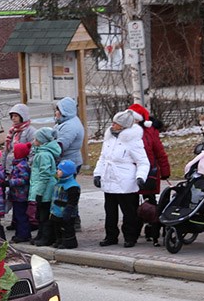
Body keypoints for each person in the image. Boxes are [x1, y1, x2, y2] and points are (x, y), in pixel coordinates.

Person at [93, 110, 149, 248]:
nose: (112, 125)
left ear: (124, 126)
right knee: (110, 211)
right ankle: (110, 236)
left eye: (115, 123)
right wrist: (97, 174)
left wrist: (141, 177)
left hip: (126, 182)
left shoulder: (133, 141)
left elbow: (143, 161)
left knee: (129, 212)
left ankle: (130, 237)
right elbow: (103, 158)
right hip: (109, 179)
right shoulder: (109, 139)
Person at [128, 104, 170, 244]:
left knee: (150, 203)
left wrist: (165, 172)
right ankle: (132, 232)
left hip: (149, 172)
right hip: (129, 174)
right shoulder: (125, 132)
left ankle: (152, 230)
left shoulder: (150, 132)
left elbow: (160, 153)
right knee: (131, 204)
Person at [29, 127, 61, 246]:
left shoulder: (43, 155)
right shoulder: (40, 153)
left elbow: (44, 175)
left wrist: (39, 192)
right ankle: (41, 235)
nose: (33, 141)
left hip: (44, 191)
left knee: (44, 215)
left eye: (36, 139)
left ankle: (46, 237)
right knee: (40, 214)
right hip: (42, 189)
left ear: (42, 141)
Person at [50, 160, 80, 249]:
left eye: (60, 170)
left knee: (67, 228)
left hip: (66, 211)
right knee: (57, 226)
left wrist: (69, 209)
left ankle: (69, 241)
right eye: (58, 169)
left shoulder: (72, 186)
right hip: (56, 210)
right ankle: (59, 240)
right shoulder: (59, 182)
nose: (57, 171)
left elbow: (73, 201)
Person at [7, 142, 33, 243]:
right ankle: (20, 233)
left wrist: (10, 182)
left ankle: (23, 234)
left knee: (21, 215)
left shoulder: (22, 166)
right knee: (18, 215)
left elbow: (23, 180)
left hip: (21, 195)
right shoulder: (17, 164)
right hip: (16, 194)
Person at [54, 97, 85, 172]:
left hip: (68, 163)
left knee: (65, 183)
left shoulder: (70, 126)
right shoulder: (66, 121)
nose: (56, 112)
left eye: (58, 110)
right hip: (66, 161)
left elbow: (60, 146)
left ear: (64, 112)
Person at [2, 103, 37, 173]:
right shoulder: (12, 131)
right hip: (10, 167)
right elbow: (6, 150)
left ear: (22, 116)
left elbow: (33, 151)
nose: (13, 118)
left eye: (16, 116)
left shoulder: (30, 131)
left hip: (22, 169)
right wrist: (3, 167)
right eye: (12, 116)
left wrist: (28, 167)